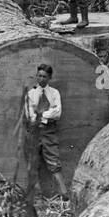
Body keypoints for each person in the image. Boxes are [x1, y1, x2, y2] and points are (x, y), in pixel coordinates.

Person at [23, 63, 68, 200]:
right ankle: (35, 197)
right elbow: (29, 115)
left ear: (49, 78)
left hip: (49, 132)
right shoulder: (31, 94)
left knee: (54, 163)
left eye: (44, 76)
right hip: (34, 132)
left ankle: (65, 195)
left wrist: (41, 114)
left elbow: (57, 112)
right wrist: (46, 114)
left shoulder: (54, 93)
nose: (41, 79)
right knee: (33, 162)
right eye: (39, 76)